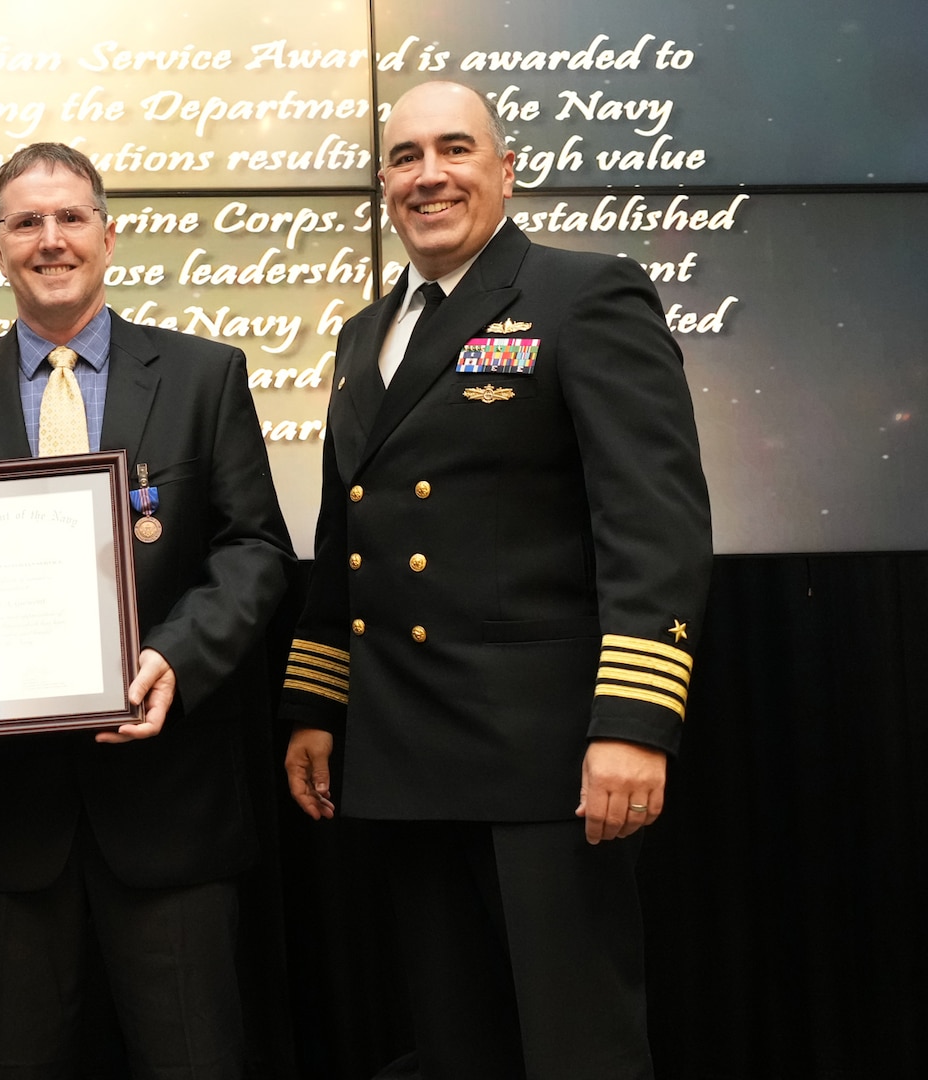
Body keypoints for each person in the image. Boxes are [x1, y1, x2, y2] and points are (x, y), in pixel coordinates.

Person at [280, 82, 712, 1080]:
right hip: (405, 750)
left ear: (503, 170)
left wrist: (633, 725)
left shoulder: (584, 294)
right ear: (384, 184)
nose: (428, 175)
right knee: (456, 1046)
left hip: (549, 761)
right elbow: (351, 530)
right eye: (404, 158)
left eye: (454, 149)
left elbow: (653, 524)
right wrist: (316, 702)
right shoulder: (362, 336)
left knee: (577, 1049)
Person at [0, 142, 293, 1079]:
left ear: (108, 234)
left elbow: (253, 550)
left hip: (168, 810)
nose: (51, 240)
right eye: (27, 222)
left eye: (71, 218)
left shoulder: (206, 377)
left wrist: (175, 657)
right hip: (0, 822)